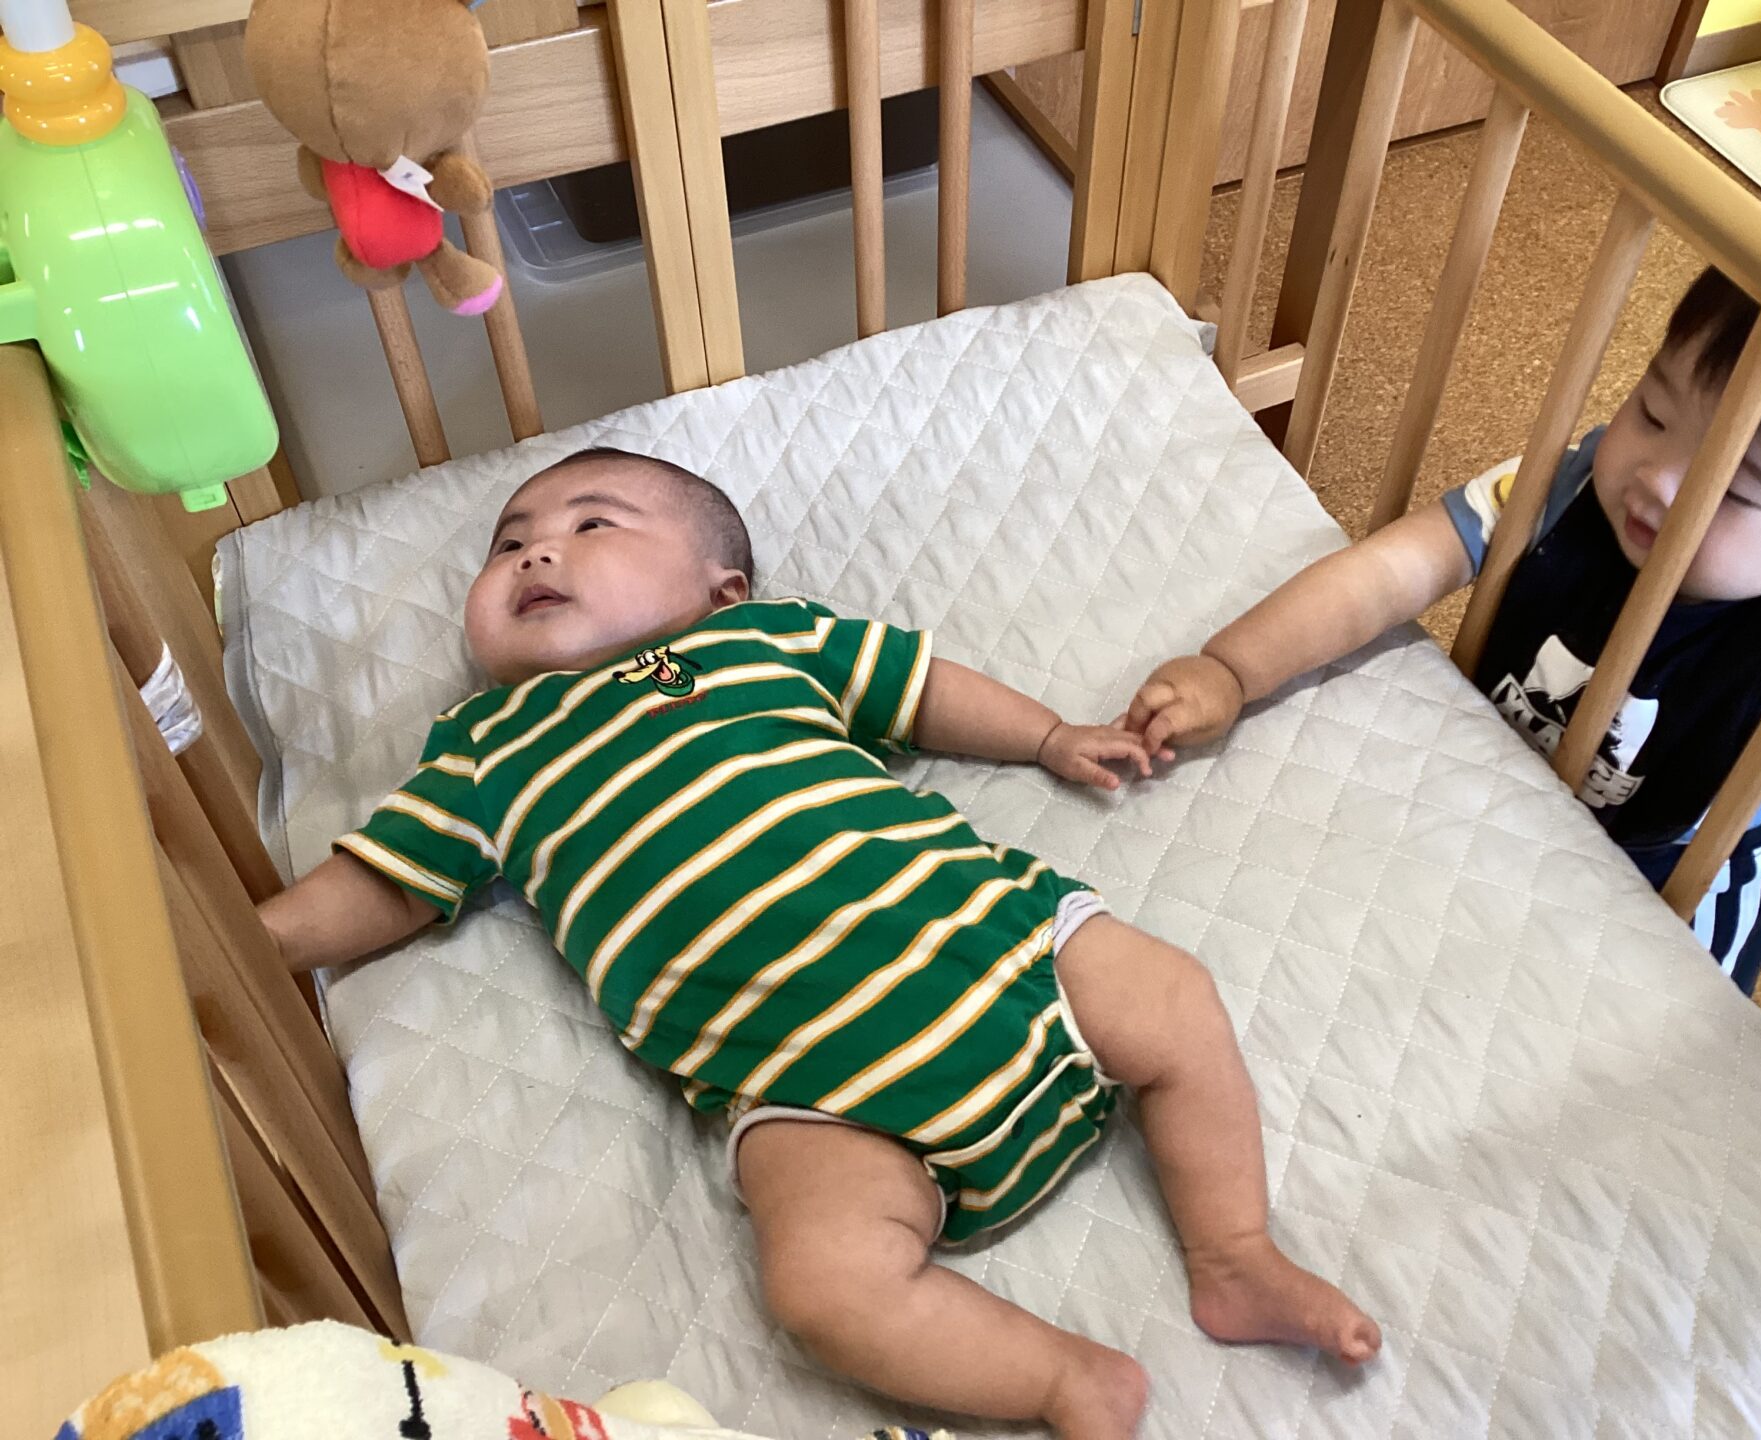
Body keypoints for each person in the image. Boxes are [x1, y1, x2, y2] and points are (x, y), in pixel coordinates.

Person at [258, 447, 1381, 1440]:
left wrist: (1045, 735)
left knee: (1173, 1000)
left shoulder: (760, 639)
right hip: (811, 1093)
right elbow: (385, 882)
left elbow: (918, 691)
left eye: (592, 524)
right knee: (819, 1289)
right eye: (509, 546)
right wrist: (250, 943)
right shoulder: (484, 747)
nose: (538, 554)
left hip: (985, 945)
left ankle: (1234, 1254)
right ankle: (1061, 1378)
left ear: (721, 587)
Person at [1125, 162, 1761, 1001]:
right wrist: (1233, 667)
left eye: (1734, 487)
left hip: (1662, 909)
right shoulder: (1565, 487)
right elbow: (1390, 571)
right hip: (1502, 807)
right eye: (1653, 412)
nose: (1658, 480)